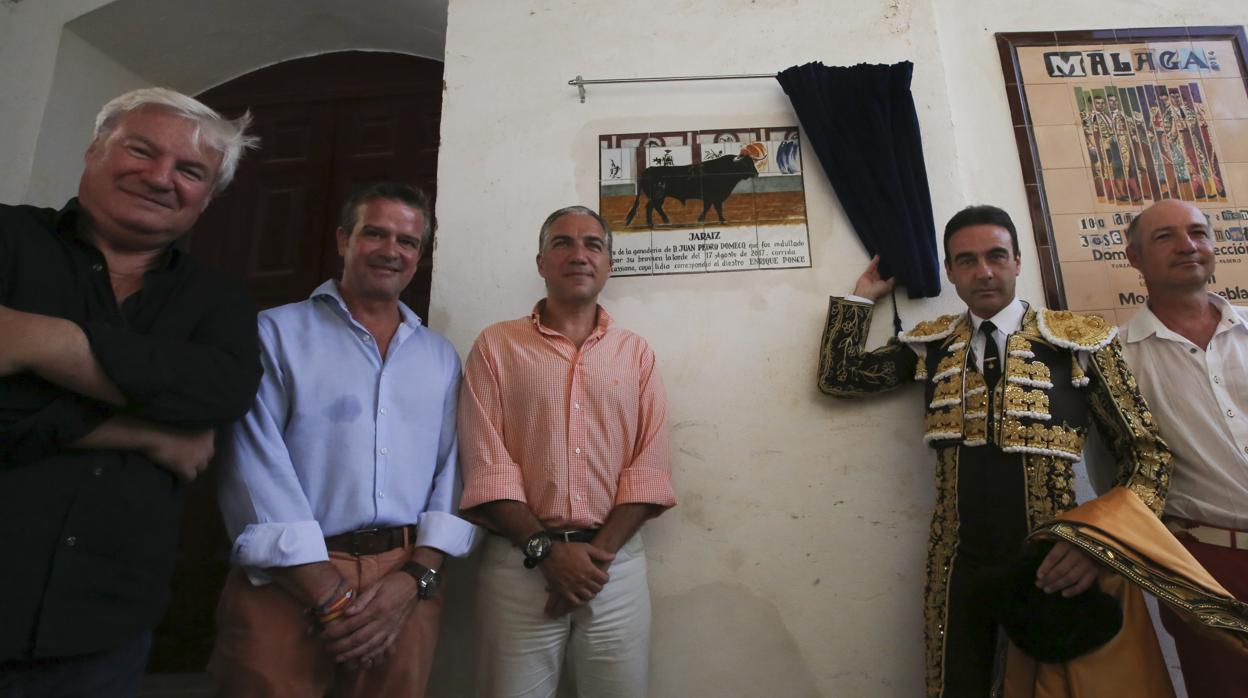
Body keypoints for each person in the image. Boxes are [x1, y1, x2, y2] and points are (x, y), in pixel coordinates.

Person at [817, 205, 1182, 696]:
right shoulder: (933, 344)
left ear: (1017, 261)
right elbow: (840, 378)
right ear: (949, 271)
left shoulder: (1078, 342)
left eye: (995, 256)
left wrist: (1100, 547)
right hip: (955, 566)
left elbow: (1147, 454)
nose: (983, 271)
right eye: (966, 261)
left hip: (1054, 562)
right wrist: (861, 301)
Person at [0, 88, 262, 696]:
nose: (160, 177)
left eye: (190, 170)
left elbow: (219, 395)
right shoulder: (8, 237)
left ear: (207, 196)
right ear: (95, 149)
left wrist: (44, 342)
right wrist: (140, 430)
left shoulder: (217, 300)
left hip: (103, 628)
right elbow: (184, 402)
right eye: (141, 150)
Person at [209, 183, 479, 698]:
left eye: (407, 241)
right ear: (342, 239)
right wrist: (326, 593)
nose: (390, 250)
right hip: (286, 579)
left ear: (420, 256)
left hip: (402, 583)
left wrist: (414, 579)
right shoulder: (275, 332)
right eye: (374, 233)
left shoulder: (439, 357)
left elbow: (451, 472)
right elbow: (252, 461)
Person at [458, 205, 676, 698]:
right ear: (540, 262)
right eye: (562, 243)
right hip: (519, 566)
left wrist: (591, 562)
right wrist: (547, 554)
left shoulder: (635, 353)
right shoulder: (496, 347)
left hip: (613, 568)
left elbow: (650, 467)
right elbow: (486, 464)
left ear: (609, 265)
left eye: (592, 244)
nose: (579, 254)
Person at [1115, 199, 1248, 697]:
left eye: (1198, 232)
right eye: (1165, 237)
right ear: (1135, 258)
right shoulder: (1117, 356)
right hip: (1208, 565)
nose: (1188, 246)